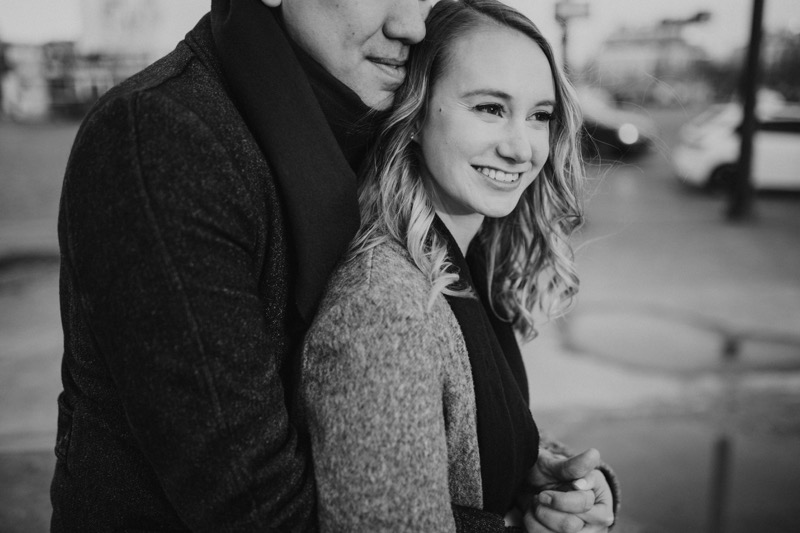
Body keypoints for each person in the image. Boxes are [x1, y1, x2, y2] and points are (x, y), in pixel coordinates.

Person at [52, 0, 616, 530]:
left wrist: (523, 472)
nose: (412, 25)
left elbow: (413, 410)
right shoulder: (166, 137)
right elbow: (255, 508)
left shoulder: (354, 117)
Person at [300, 0, 617, 531]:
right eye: (490, 108)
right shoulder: (386, 312)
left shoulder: (469, 266)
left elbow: (462, 441)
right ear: (415, 115)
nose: (521, 148)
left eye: (539, 116)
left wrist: (556, 483)